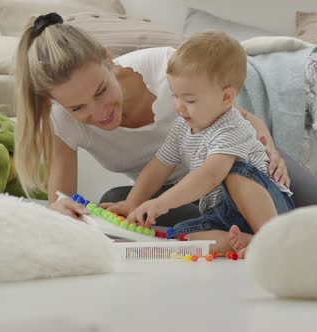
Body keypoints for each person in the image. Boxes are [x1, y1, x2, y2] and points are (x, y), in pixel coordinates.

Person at [13, 12, 317, 228]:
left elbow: (239, 118)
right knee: (115, 198)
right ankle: (254, 230)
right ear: (56, 103)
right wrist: (64, 209)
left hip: (233, 171)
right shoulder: (61, 120)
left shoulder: (168, 70)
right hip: (182, 194)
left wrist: (270, 149)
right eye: (78, 108)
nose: (98, 113)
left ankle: (288, 227)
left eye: (101, 91)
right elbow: (62, 199)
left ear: (107, 58)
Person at [123, 31, 294, 256]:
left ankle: (272, 237)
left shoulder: (232, 127)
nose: (179, 106)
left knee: (233, 171)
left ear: (226, 97)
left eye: (190, 100)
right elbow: (159, 166)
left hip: (268, 207)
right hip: (222, 216)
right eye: (175, 96)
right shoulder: (182, 126)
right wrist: (133, 202)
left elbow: (210, 175)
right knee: (181, 237)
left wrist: (161, 203)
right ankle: (248, 241)